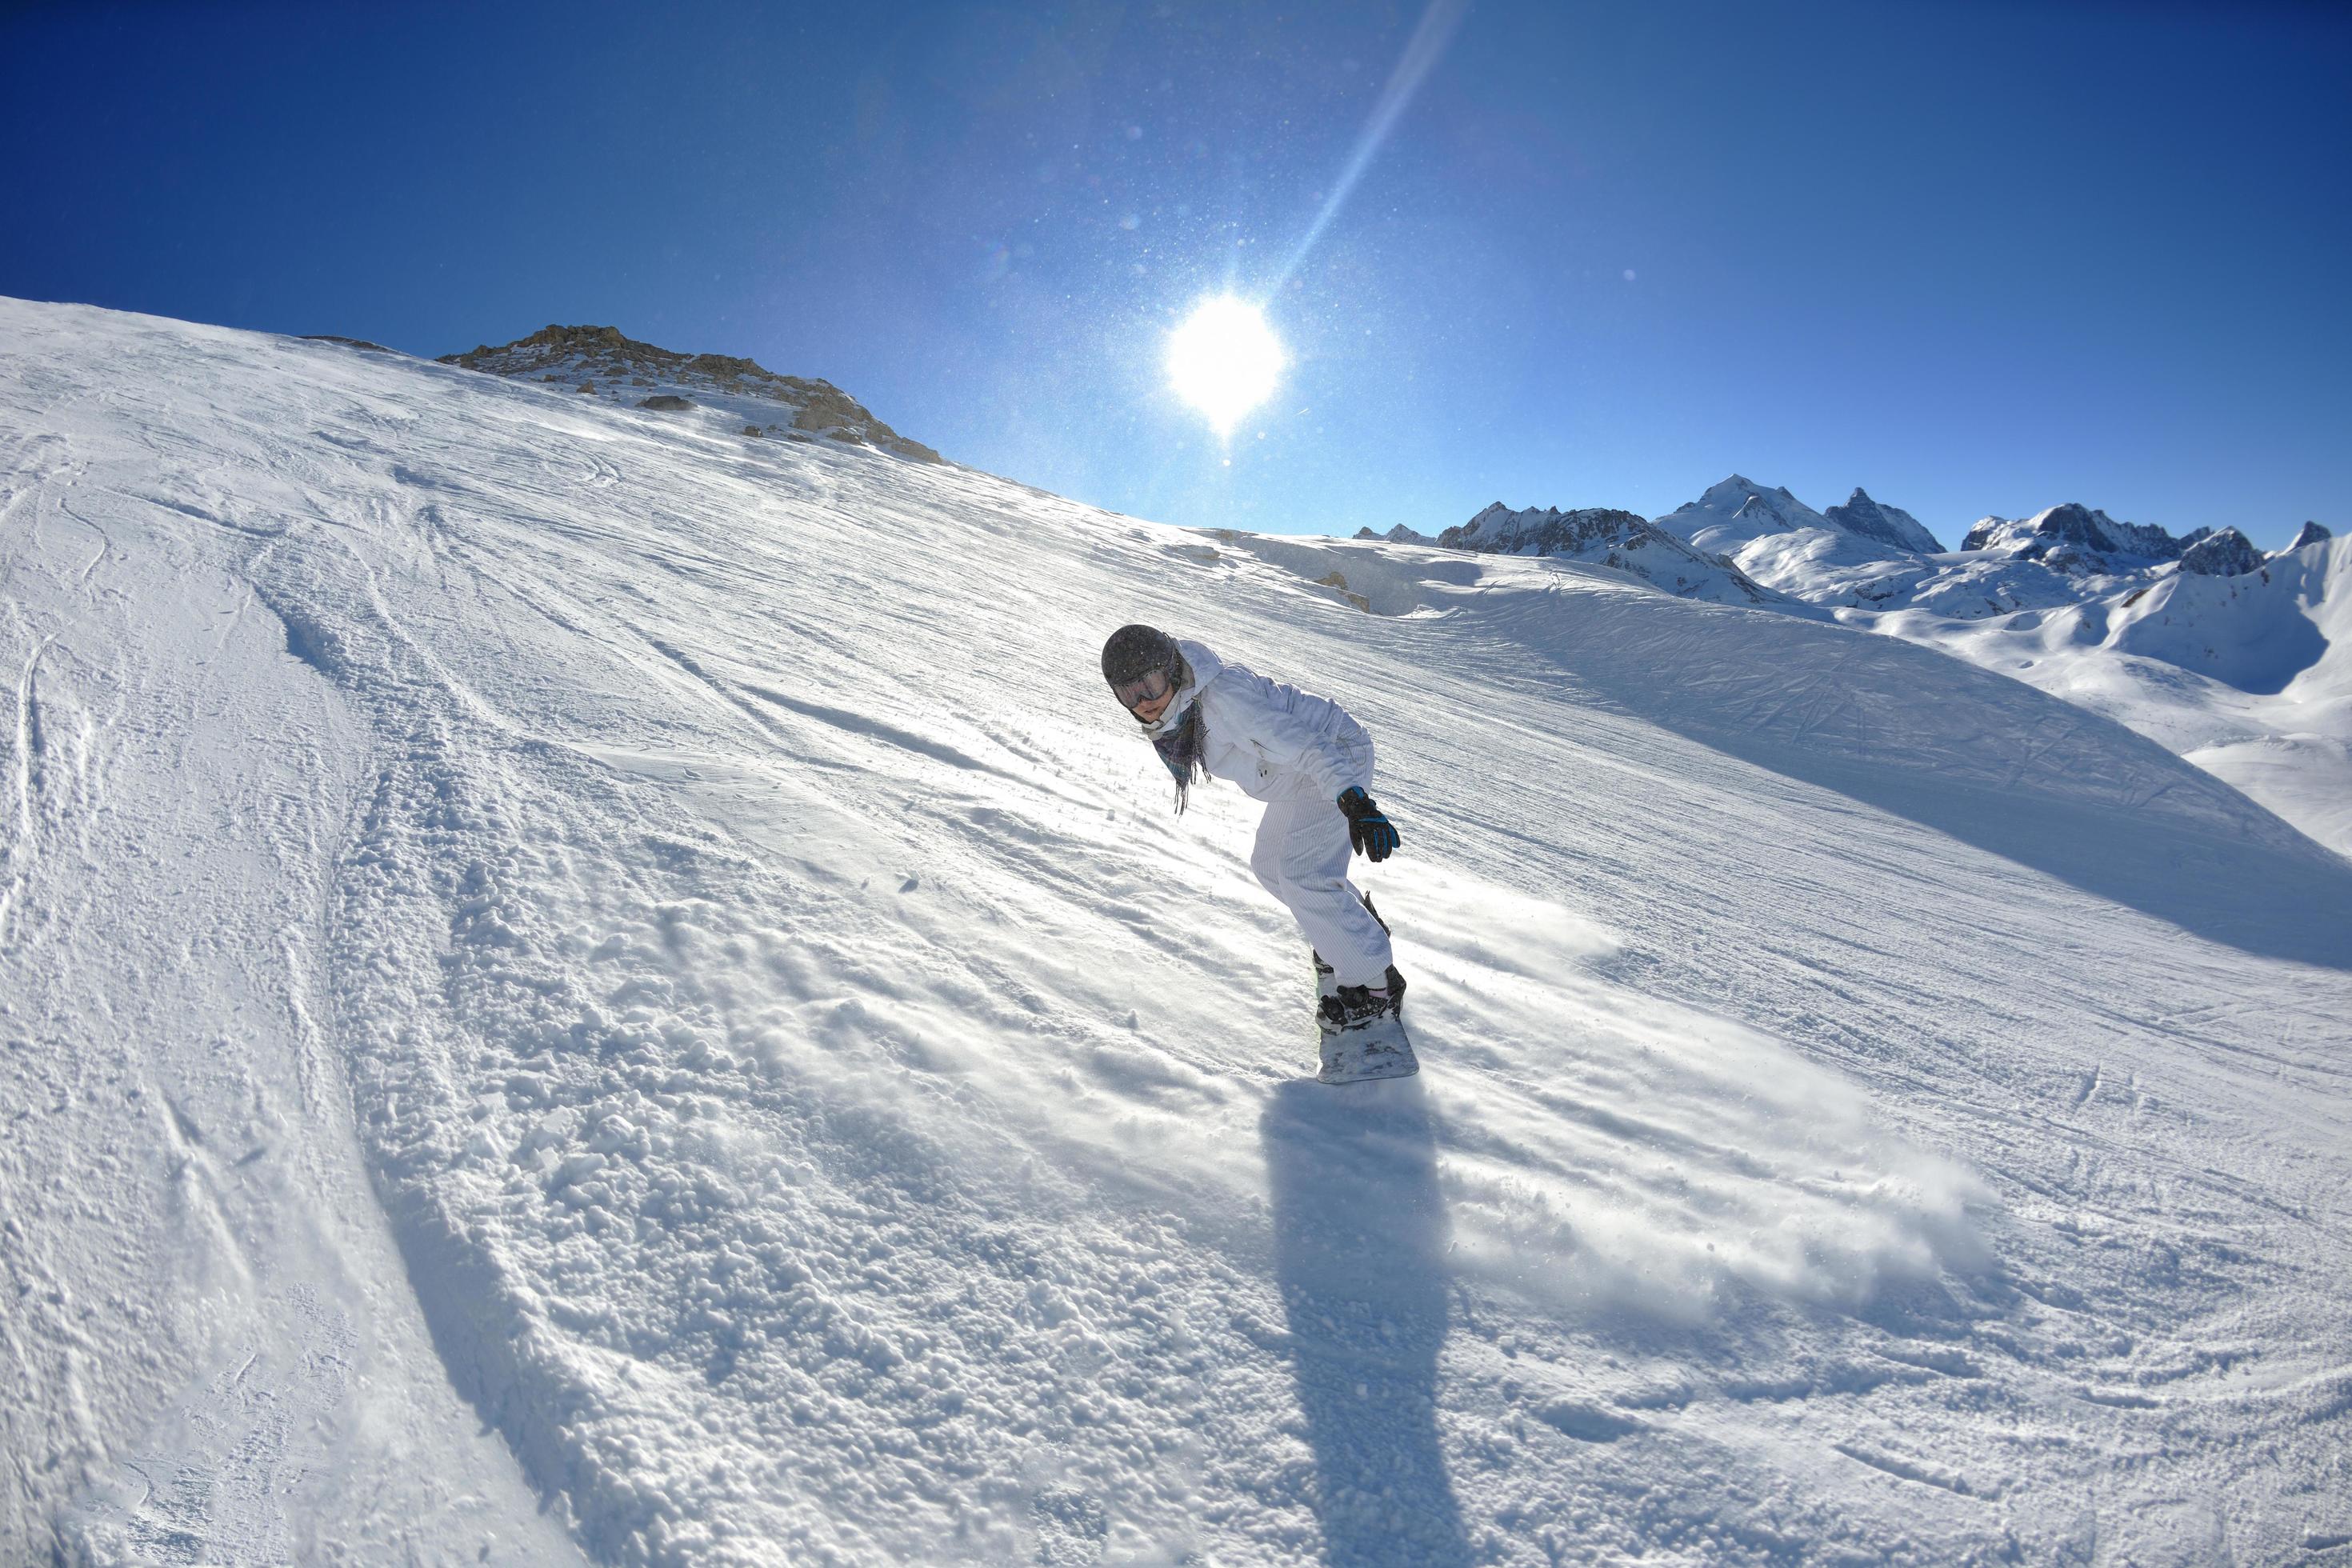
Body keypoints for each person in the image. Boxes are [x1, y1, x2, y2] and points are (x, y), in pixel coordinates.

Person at [1099, 624, 1412, 1075]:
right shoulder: (1177, 713)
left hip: (1333, 759)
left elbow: (1308, 745)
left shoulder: (1223, 702)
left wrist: (1353, 798)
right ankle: (1346, 934)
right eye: (1129, 693)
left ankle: (1376, 986)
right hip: (1295, 776)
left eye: (1149, 684)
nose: (1143, 701)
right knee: (1269, 866)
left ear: (1170, 670)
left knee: (1304, 878)